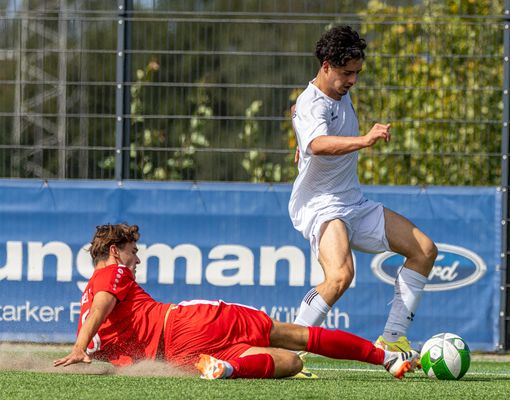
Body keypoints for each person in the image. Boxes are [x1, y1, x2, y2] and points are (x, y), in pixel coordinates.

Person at [53, 223, 419, 380]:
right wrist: (79, 347)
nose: (137, 260)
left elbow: (101, 317)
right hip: (189, 322)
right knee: (294, 336)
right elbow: (104, 300)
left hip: (179, 356)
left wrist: (86, 351)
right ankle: (385, 358)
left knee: (289, 364)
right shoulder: (112, 274)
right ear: (114, 252)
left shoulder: (88, 308)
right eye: (133, 252)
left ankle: (229, 370)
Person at [289, 25, 437, 354]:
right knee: (341, 275)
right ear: (326, 65)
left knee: (424, 251)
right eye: (346, 73)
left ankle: (394, 339)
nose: (353, 80)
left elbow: (304, 126)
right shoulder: (313, 102)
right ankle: (289, 346)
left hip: (354, 203)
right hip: (322, 206)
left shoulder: (334, 90)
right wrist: (364, 140)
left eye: (357, 72)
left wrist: (299, 135)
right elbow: (318, 142)